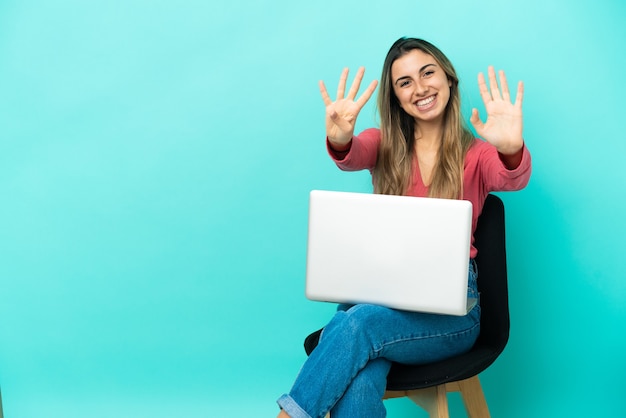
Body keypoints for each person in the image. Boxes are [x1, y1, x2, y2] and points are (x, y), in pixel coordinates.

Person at [276, 37, 531, 418]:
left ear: (448, 79)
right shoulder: (384, 145)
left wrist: (511, 148)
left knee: (356, 324)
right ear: (396, 97)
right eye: (405, 82)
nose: (420, 87)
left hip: (453, 314)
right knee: (360, 371)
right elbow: (350, 154)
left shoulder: (477, 155)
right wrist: (339, 137)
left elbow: (511, 177)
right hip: (379, 300)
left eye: (428, 73)